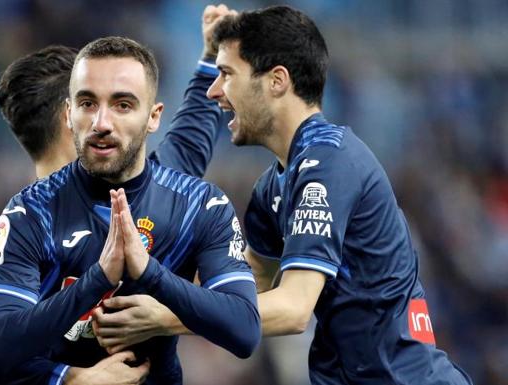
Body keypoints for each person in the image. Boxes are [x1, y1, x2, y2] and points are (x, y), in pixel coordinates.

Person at [0, 5, 239, 385]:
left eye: (120, 102)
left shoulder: (142, 189)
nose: (108, 117)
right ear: (68, 115)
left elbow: (187, 146)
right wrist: (71, 378)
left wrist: (209, 60)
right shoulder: (30, 229)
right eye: (91, 101)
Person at [201, 5, 472, 385]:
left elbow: (293, 309)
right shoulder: (271, 188)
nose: (214, 91)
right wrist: (146, 285)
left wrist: (166, 318)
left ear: (277, 80)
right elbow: (243, 286)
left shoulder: (330, 161)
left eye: (226, 74)